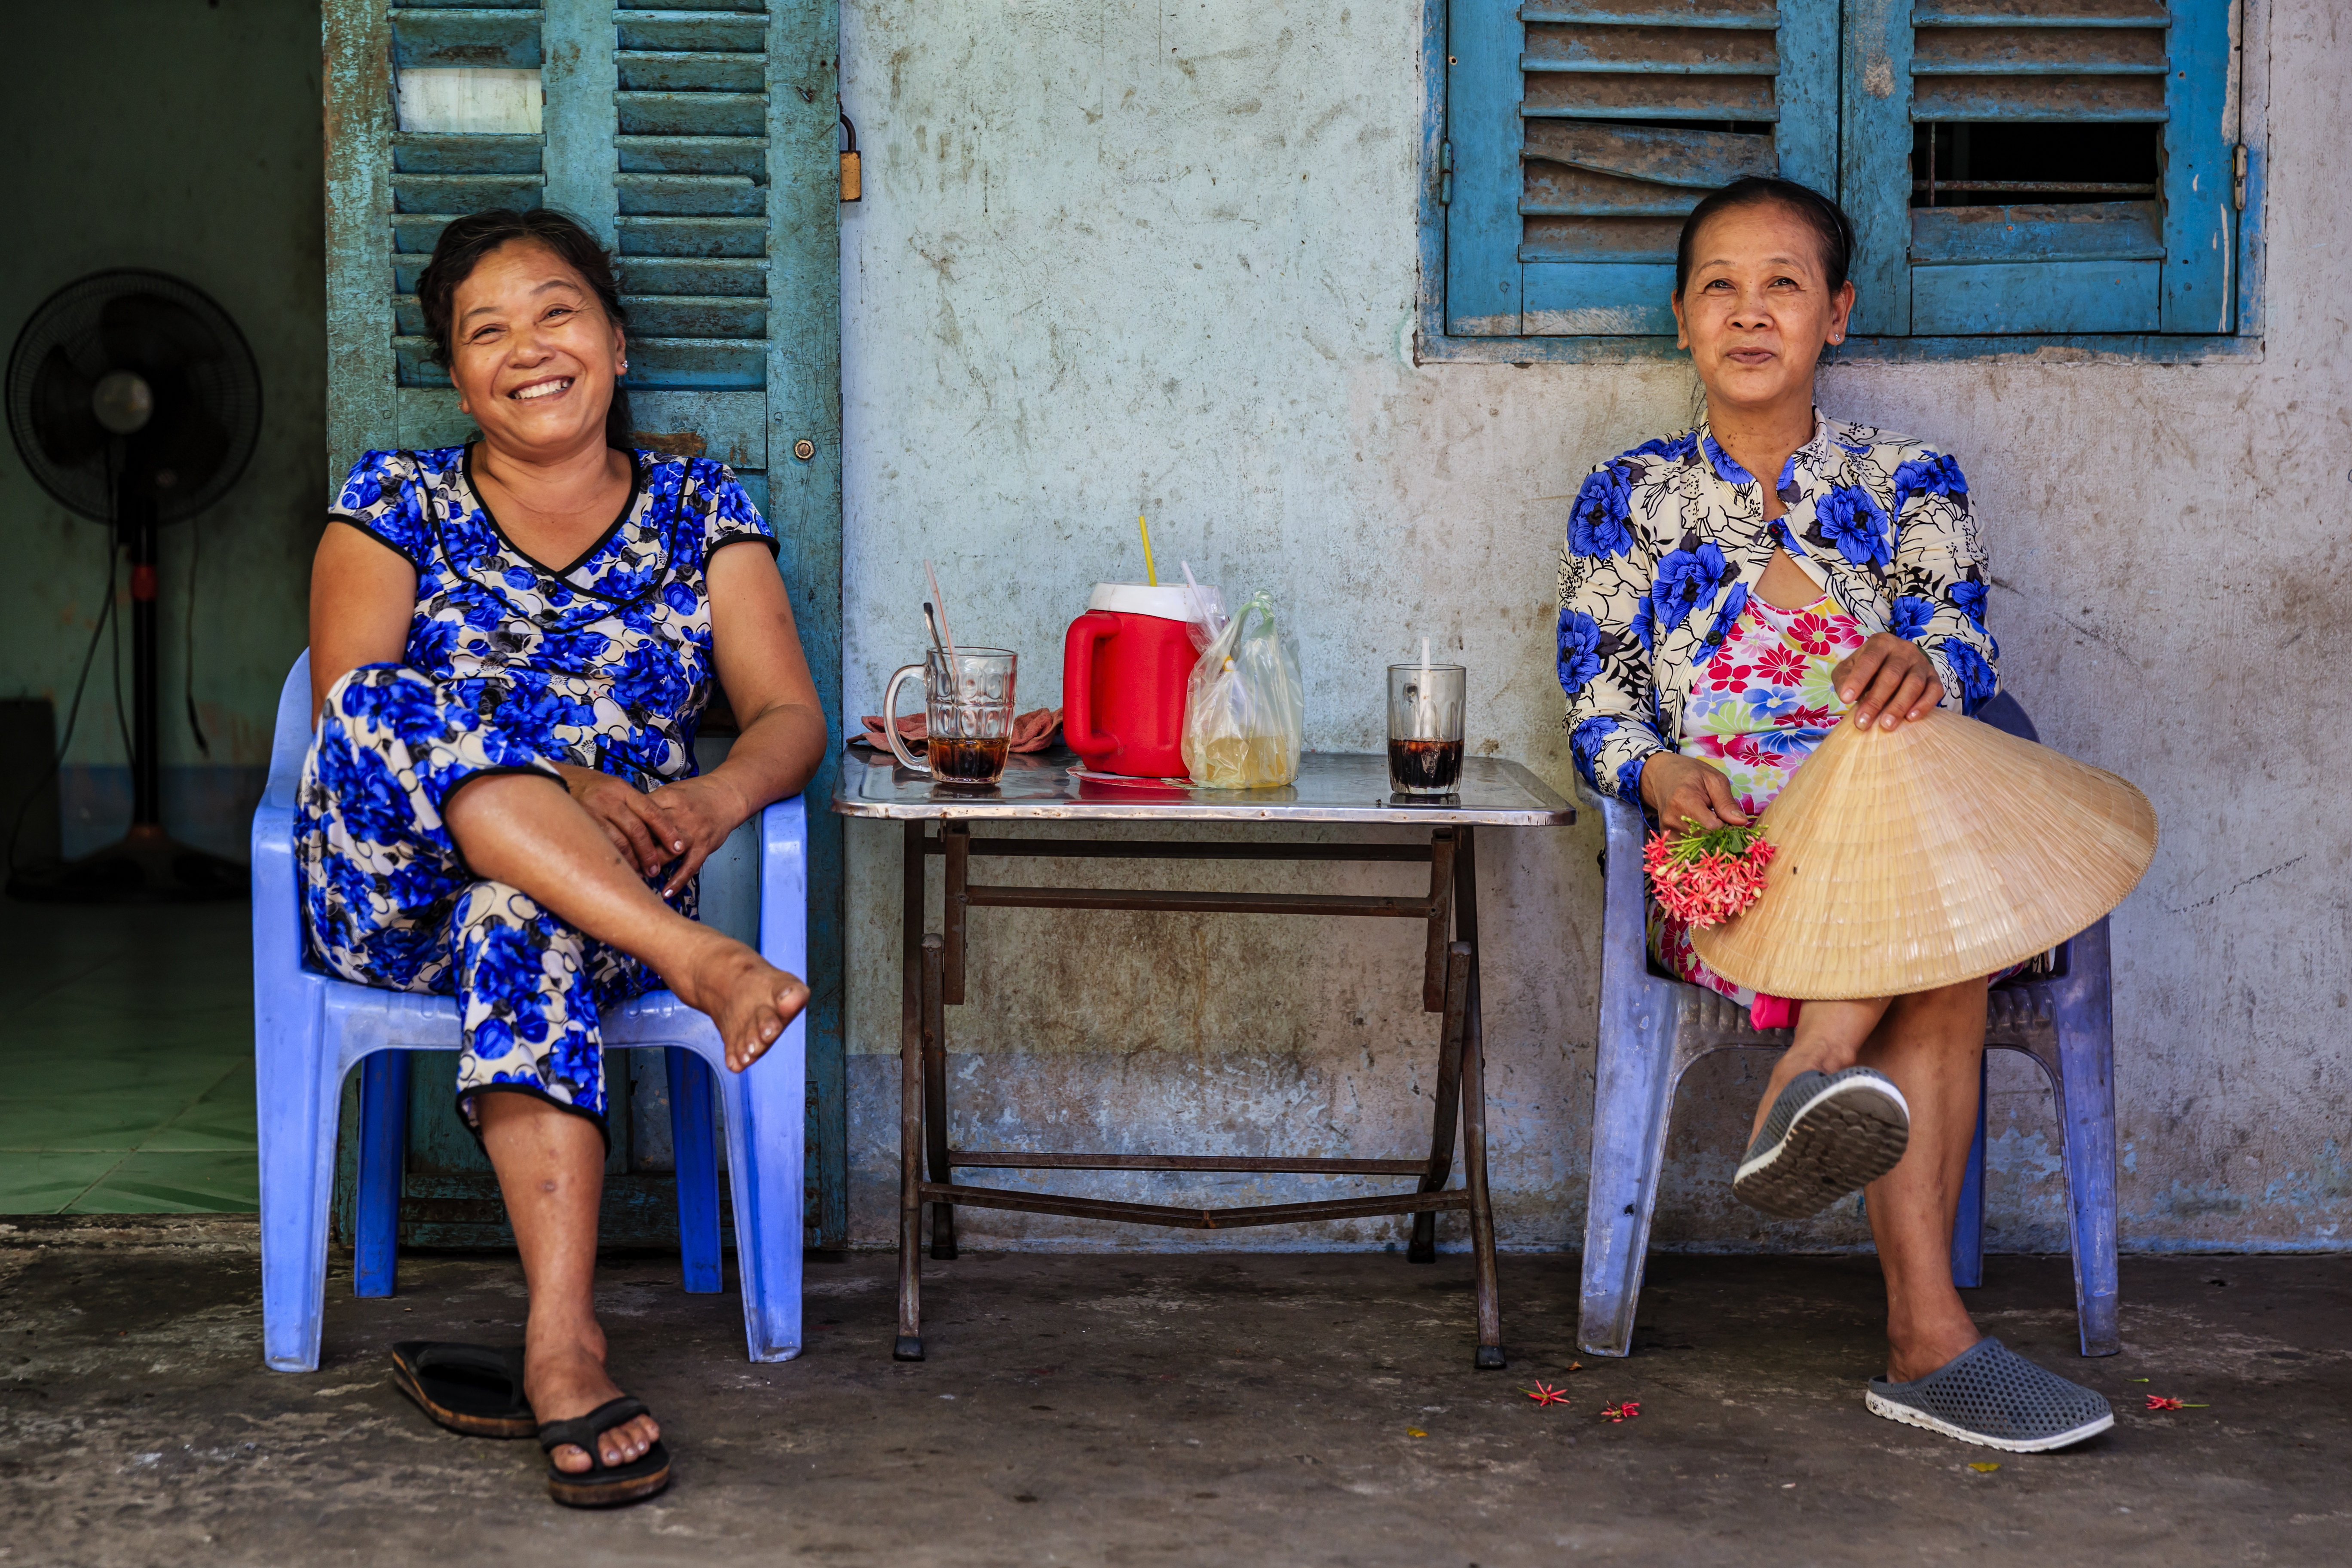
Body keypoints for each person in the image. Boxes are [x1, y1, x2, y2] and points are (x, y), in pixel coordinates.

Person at [1555, 177, 2113, 1453]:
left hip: (1906, 831)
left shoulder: (1912, 479)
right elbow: (1598, 695)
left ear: (1839, 315)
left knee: (1911, 753)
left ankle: (1819, 1071)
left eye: (1785, 285)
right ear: (1683, 321)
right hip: (1735, 858)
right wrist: (1653, 777)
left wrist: (1924, 670)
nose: (1752, 314)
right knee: (1951, 933)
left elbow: (1961, 635)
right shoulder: (1628, 497)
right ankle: (1927, 1339)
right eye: (1720, 287)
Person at [302, 208, 827, 1504]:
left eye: (555, 313)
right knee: (380, 705)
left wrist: (705, 805)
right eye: (486, 330)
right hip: (395, 890)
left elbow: (789, 718)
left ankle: (562, 1344)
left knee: (518, 917)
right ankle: (701, 960)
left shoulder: (704, 509)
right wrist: (573, 781)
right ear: (457, 373)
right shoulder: (392, 501)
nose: (527, 348)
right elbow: (350, 712)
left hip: (592, 900)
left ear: (617, 343)